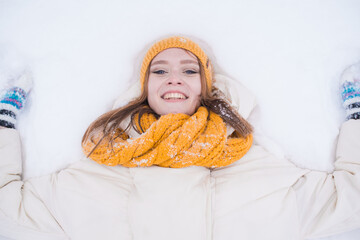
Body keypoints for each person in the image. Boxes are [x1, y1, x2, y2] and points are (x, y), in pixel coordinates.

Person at [0, 35, 359, 240]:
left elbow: (349, 199)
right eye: (160, 71)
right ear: (143, 89)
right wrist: (4, 124)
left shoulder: (247, 161)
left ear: (206, 87)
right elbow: (7, 207)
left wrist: (356, 119)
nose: (174, 78)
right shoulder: (104, 164)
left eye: (189, 70)